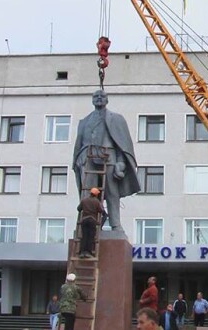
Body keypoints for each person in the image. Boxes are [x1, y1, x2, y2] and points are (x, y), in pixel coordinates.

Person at [73, 89, 140, 232]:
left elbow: (122, 143)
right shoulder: (84, 121)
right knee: (88, 193)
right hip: (87, 157)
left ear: (107, 100)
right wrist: (79, 158)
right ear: (92, 100)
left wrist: (121, 162)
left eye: (102, 96)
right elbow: (79, 143)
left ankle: (115, 224)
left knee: (112, 193)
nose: (98, 98)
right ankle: (86, 225)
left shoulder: (116, 118)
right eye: (95, 96)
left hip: (109, 157)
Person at [76, 187, 103, 258]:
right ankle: (88, 252)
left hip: (84, 220)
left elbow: (78, 209)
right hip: (92, 220)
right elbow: (101, 211)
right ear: (96, 194)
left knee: (84, 236)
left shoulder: (84, 200)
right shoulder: (96, 201)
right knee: (90, 237)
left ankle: (82, 252)